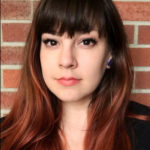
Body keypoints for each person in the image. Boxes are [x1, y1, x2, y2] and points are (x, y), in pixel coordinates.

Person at [1, 0, 150, 150]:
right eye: (52, 42)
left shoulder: (145, 132)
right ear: (37, 52)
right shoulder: (6, 137)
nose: (66, 61)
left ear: (110, 52)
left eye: (86, 42)